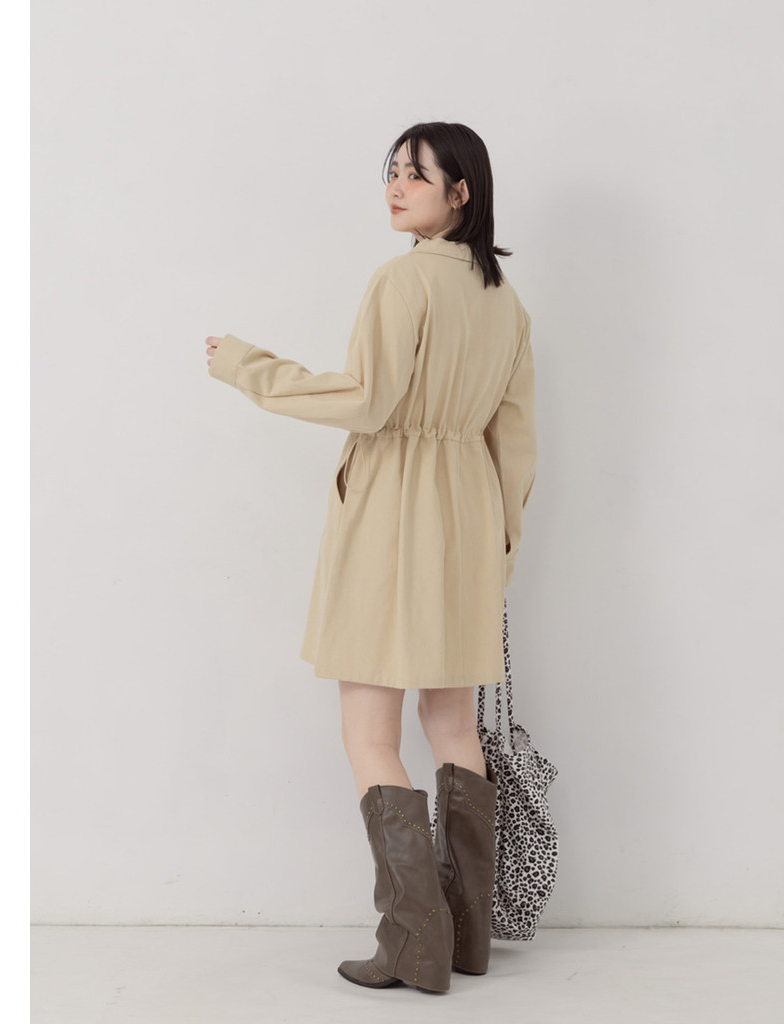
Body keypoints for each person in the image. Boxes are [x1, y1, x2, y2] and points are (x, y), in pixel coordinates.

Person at [204, 121, 537, 994]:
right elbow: (517, 443)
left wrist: (247, 366)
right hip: (470, 516)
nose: (395, 186)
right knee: (453, 726)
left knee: (368, 731)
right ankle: (467, 935)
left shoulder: (403, 280)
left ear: (461, 191)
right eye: (391, 171)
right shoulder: (504, 300)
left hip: (395, 511)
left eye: (416, 174)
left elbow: (368, 399)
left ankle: (413, 941)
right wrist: (500, 546)